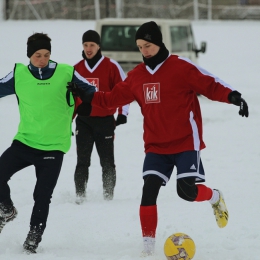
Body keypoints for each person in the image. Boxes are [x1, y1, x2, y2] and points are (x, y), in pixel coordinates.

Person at [67, 21, 249, 256]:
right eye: (140, 47)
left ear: (159, 43)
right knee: (148, 190)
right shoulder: (136, 76)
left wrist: (232, 96)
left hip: (185, 141)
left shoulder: (181, 66)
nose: (144, 51)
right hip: (155, 145)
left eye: (148, 45)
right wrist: (87, 96)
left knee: (186, 192)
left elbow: (210, 83)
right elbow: (111, 98)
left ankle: (215, 196)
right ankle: (148, 247)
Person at [0, 32, 95, 254]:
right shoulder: (19, 74)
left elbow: (91, 91)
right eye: (37, 55)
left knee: (42, 194)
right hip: (25, 141)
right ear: (29, 55)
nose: (42, 59)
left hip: (54, 146)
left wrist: (81, 94)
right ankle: (6, 210)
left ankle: (34, 235)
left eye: (46, 54)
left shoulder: (65, 72)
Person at [73, 30, 129, 202]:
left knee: (107, 162)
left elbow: (124, 90)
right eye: (85, 45)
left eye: (92, 45)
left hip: (105, 121)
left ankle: (108, 196)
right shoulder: (76, 69)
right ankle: (80, 196)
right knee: (82, 161)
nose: (88, 48)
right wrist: (69, 119)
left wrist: (123, 112)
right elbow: (71, 98)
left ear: (98, 46)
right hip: (84, 122)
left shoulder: (111, 66)